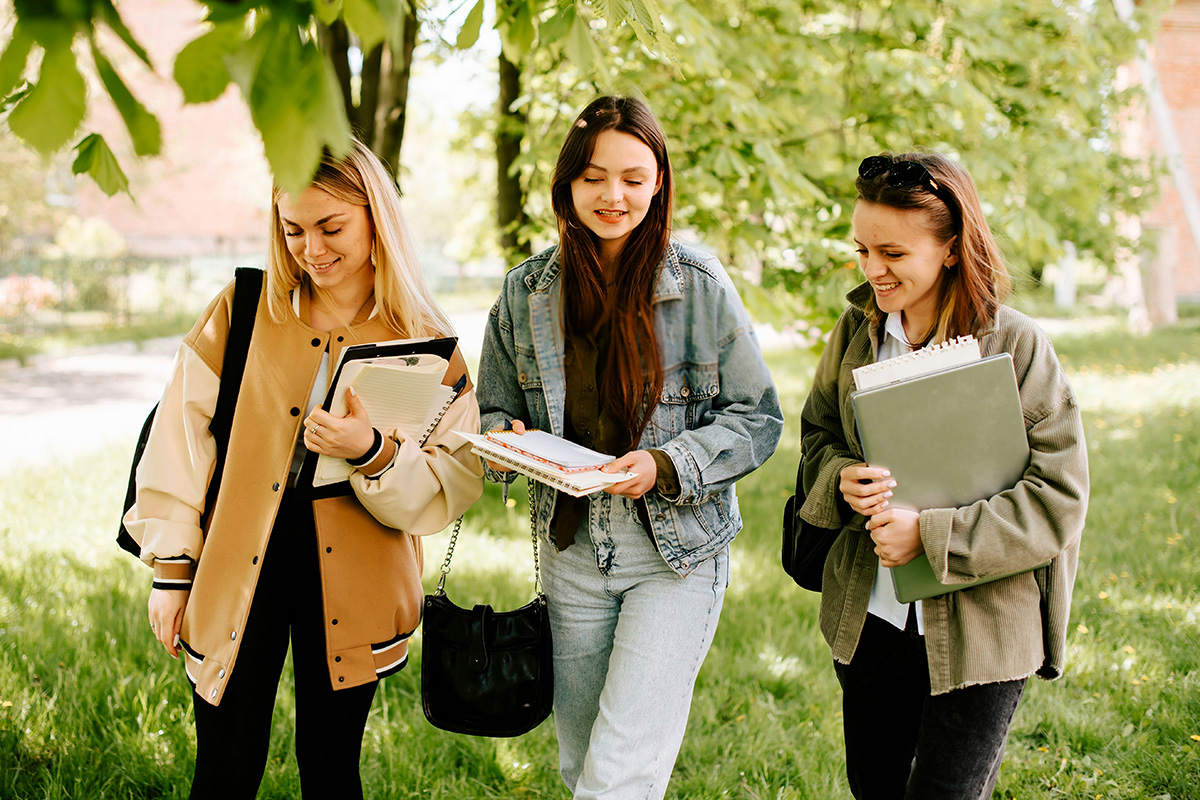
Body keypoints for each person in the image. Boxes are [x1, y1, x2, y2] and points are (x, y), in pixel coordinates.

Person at [123, 138, 483, 799]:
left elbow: (450, 484)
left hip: (356, 575)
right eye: (293, 230)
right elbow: (179, 444)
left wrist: (371, 449)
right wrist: (172, 575)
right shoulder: (241, 310)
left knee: (331, 770)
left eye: (331, 227)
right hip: (239, 560)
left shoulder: (426, 339)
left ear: (377, 218)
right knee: (223, 771)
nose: (311, 250)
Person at [475, 95, 783, 799]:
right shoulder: (524, 294)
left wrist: (668, 464)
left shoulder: (701, 286)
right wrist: (506, 443)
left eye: (634, 178)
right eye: (593, 177)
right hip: (572, 555)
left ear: (659, 183)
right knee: (582, 762)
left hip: (675, 556)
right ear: (567, 185)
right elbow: (493, 415)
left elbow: (758, 416)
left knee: (618, 776)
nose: (614, 196)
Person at [799, 150, 1089, 799]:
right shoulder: (854, 332)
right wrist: (842, 481)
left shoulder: (1017, 347)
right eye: (862, 248)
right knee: (874, 787)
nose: (873, 268)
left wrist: (931, 537)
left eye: (893, 253)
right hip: (872, 623)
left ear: (952, 248)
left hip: (984, 635)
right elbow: (816, 435)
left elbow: (1058, 497)